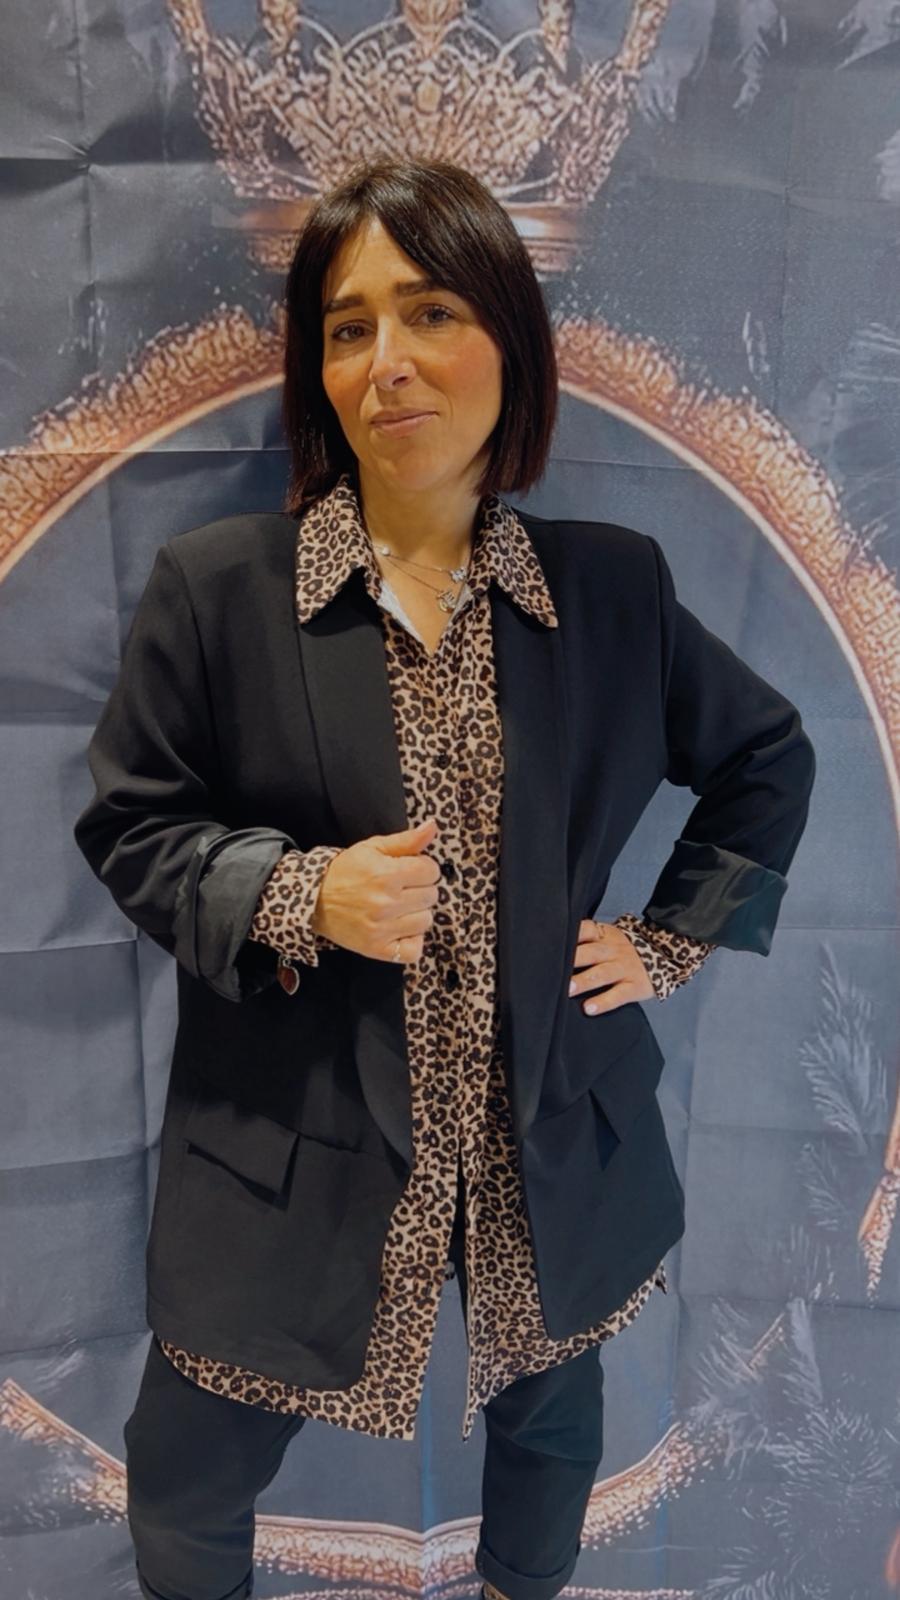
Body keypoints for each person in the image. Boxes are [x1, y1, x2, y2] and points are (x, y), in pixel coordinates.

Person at [73, 155, 816, 1600]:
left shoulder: (611, 589)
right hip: (295, 1149)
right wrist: (302, 894)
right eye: (348, 327)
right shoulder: (219, 592)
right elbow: (134, 827)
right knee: (187, 1470)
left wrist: (669, 940)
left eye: (430, 313)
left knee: (550, 1431)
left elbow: (767, 760)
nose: (388, 361)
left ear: (509, 341)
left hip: (550, 1131)